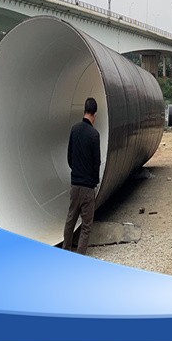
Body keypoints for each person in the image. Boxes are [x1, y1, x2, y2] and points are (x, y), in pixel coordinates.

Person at [62, 97, 100, 255]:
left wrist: (76, 172)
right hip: (87, 188)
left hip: (75, 185)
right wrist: (94, 181)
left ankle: (65, 251)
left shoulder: (74, 129)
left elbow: (69, 157)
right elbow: (96, 162)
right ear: (94, 114)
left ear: (84, 111)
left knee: (70, 220)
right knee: (86, 226)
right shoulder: (94, 135)